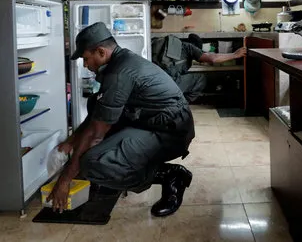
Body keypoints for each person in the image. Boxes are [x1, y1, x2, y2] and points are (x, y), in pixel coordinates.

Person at [47, 22, 195, 217]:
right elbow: (96, 116)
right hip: (152, 122)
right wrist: (70, 142)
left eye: (86, 59)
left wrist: (65, 179)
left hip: (169, 132)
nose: (86, 65)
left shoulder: (119, 73)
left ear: (101, 52)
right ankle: (132, 165)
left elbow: (95, 134)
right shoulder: (120, 61)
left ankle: (169, 175)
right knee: (95, 104)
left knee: (92, 162)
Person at [152, 34, 247, 102]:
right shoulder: (189, 47)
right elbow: (212, 59)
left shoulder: (173, 45)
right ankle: (179, 105)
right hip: (165, 87)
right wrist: (234, 55)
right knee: (200, 78)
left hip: (151, 82)